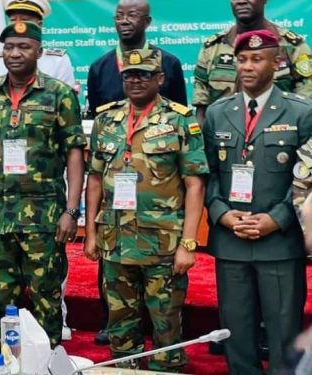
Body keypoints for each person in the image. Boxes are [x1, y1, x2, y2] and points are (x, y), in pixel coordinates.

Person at [0, 21, 86, 348]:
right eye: (9, 47)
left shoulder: (59, 94)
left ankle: (47, 360)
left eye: (24, 47)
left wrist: (72, 211)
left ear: (39, 52)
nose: (15, 53)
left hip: (45, 215)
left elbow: (75, 153)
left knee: (46, 295)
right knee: (2, 295)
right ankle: (8, 359)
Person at [84, 48, 208, 371]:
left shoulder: (180, 120)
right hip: (115, 242)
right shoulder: (105, 120)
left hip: (163, 246)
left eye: (144, 74)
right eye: (129, 75)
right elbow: (95, 179)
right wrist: (91, 235)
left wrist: (189, 243)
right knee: (120, 330)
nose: (135, 80)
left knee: (167, 330)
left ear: (160, 78)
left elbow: (195, 185)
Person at [202, 30, 312, 374]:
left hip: (279, 243)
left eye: (257, 59)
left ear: (277, 63)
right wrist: (221, 214)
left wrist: (275, 219)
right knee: (237, 335)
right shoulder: (219, 113)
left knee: (283, 335)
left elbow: (307, 178)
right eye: (242, 59)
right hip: (231, 241)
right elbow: (206, 173)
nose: (247, 66)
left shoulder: (301, 113)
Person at [85, 0, 188, 346]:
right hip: (116, 220)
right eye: (119, 15)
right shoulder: (100, 67)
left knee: (164, 308)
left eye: (132, 15)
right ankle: (112, 329)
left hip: (159, 220)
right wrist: (91, 230)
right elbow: (96, 171)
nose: (124, 21)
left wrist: (188, 238)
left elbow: (189, 169)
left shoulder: (170, 65)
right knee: (116, 289)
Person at [193, 0, 312, 125]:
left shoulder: (293, 46)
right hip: (224, 137)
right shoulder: (212, 47)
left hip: (278, 135)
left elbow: (307, 105)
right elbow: (201, 108)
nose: (241, 1)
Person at [0, 0, 76, 87]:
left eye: (24, 20)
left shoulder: (57, 61)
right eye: (13, 20)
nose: (17, 25)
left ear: (39, 25)